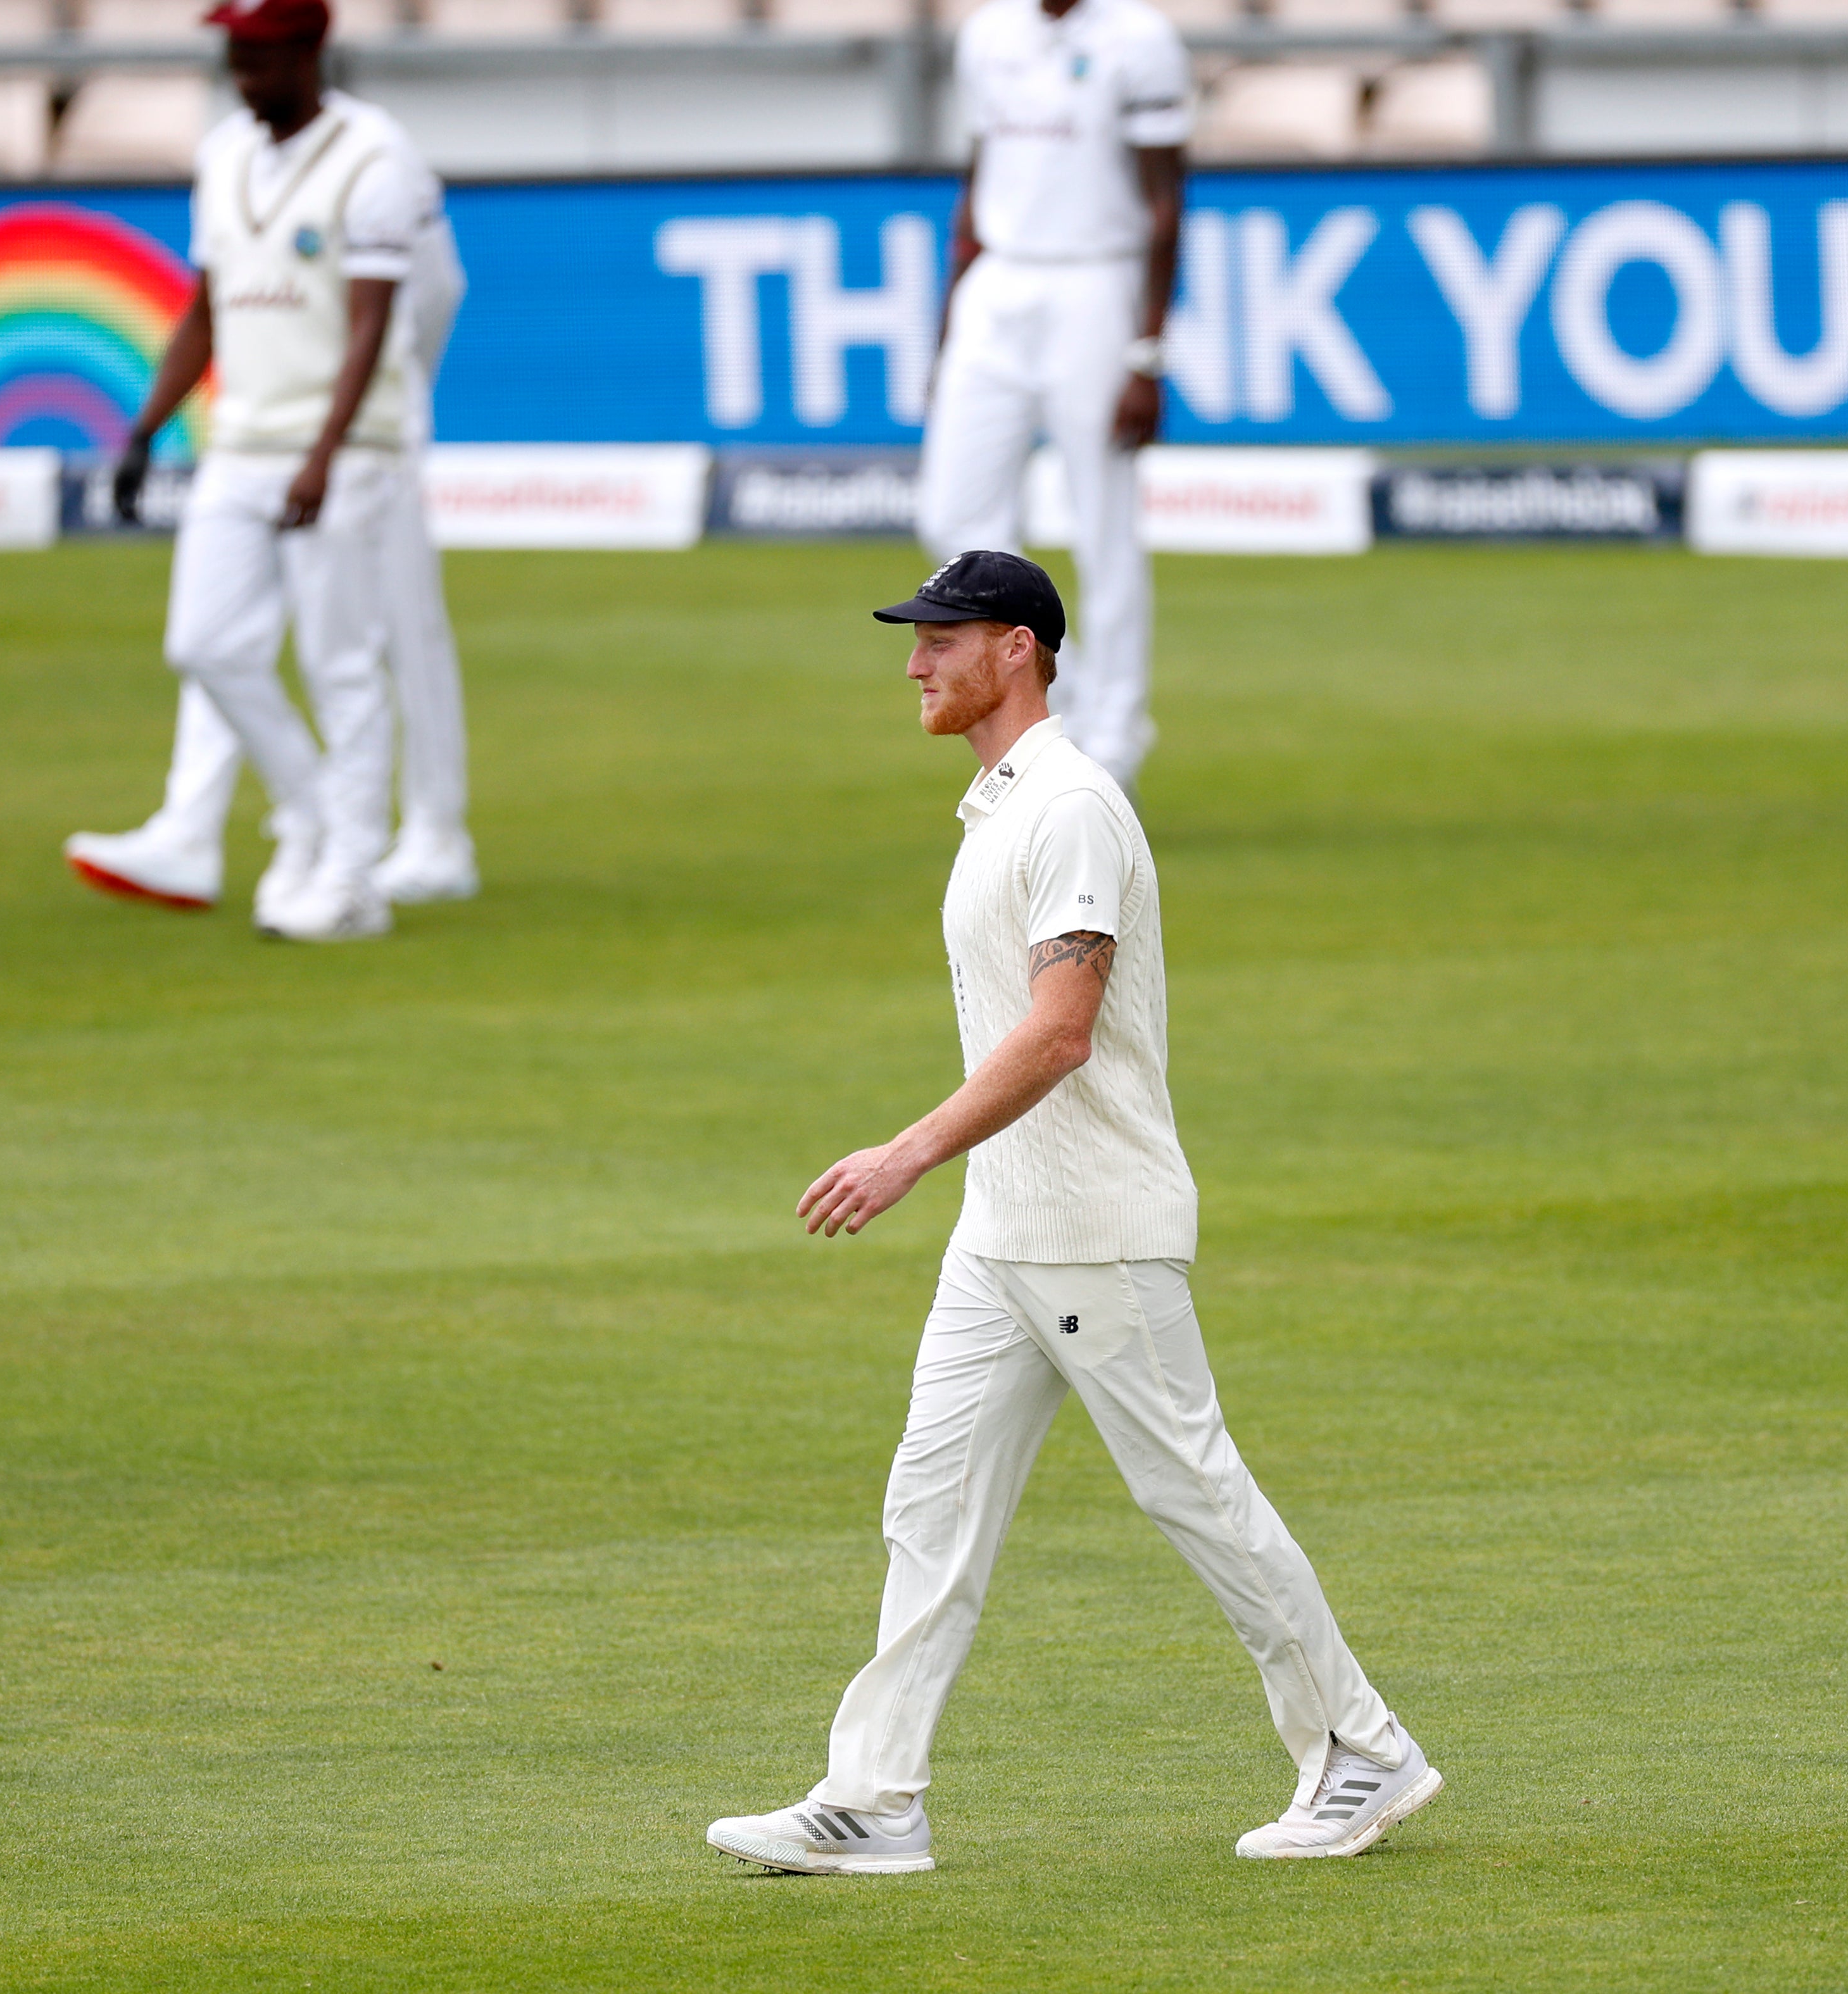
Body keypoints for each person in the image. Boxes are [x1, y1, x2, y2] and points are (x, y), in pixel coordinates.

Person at [705, 551, 1438, 1876]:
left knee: (1198, 1497)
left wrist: (906, 1153)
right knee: (927, 1510)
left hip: (1094, 1224)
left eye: (943, 637)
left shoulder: (1073, 808)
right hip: (1005, 1237)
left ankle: (1362, 1749)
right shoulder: (998, 807)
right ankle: (873, 1800)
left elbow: (1060, 1034)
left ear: (1019, 649)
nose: (916, 662)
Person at [58, 0, 446, 939]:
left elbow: (371, 325)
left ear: (308, 51)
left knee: (339, 662)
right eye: (233, 57)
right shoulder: (224, 151)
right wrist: (147, 426)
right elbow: (207, 305)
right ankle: (310, 810)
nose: (242, 76)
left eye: (259, 57)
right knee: (203, 644)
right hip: (236, 443)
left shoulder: (374, 158)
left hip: (340, 455)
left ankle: (353, 880)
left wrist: (325, 452)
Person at [915, 0, 1188, 792]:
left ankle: (1115, 744)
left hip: (1097, 281)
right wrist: (950, 318)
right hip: (1000, 281)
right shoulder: (989, 33)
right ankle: (1045, 715)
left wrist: (1147, 352)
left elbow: (1167, 200)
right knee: (951, 517)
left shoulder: (1139, 40)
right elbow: (981, 175)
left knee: (1102, 524)